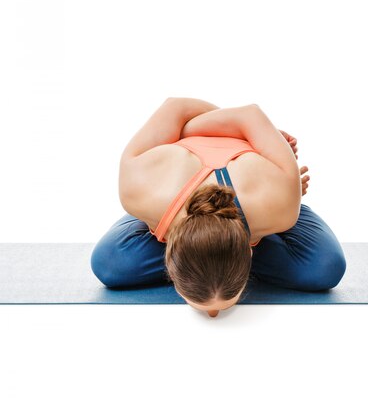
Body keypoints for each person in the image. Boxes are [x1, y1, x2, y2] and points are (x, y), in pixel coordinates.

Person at [91, 98, 346, 317]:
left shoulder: (280, 201)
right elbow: (177, 106)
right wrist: (249, 135)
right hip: (192, 200)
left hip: (263, 197)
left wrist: (288, 195)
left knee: (325, 267)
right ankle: (211, 252)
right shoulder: (140, 187)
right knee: (109, 264)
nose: (213, 315)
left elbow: (247, 114)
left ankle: (213, 253)